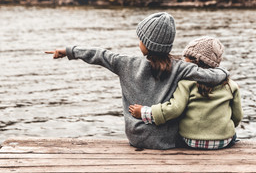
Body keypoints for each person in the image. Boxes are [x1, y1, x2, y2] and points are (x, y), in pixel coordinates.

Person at [45, 12, 229, 150]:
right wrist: (224, 71)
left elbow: (99, 54)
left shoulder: (125, 63)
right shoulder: (180, 67)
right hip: (167, 141)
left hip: (136, 137)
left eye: (140, 38)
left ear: (146, 44)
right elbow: (213, 76)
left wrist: (69, 51)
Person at [129, 36, 243, 150]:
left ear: (195, 61)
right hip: (223, 141)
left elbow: (174, 109)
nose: (184, 61)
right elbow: (237, 116)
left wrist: (144, 112)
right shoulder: (230, 85)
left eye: (186, 57)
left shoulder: (186, 83)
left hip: (191, 140)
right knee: (233, 134)